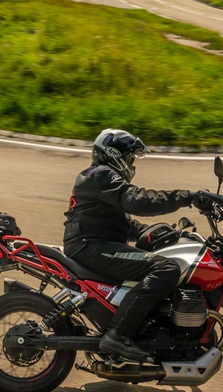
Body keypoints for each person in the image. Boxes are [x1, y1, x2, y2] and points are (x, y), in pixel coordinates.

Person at [63, 128, 204, 362]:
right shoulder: (101, 174)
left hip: (93, 243)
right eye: (130, 157)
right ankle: (117, 334)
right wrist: (187, 197)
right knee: (166, 268)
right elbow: (136, 200)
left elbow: (125, 224)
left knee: (161, 262)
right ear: (114, 155)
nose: (132, 164)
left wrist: (166, 233)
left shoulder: (100, 179)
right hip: (90, 246)